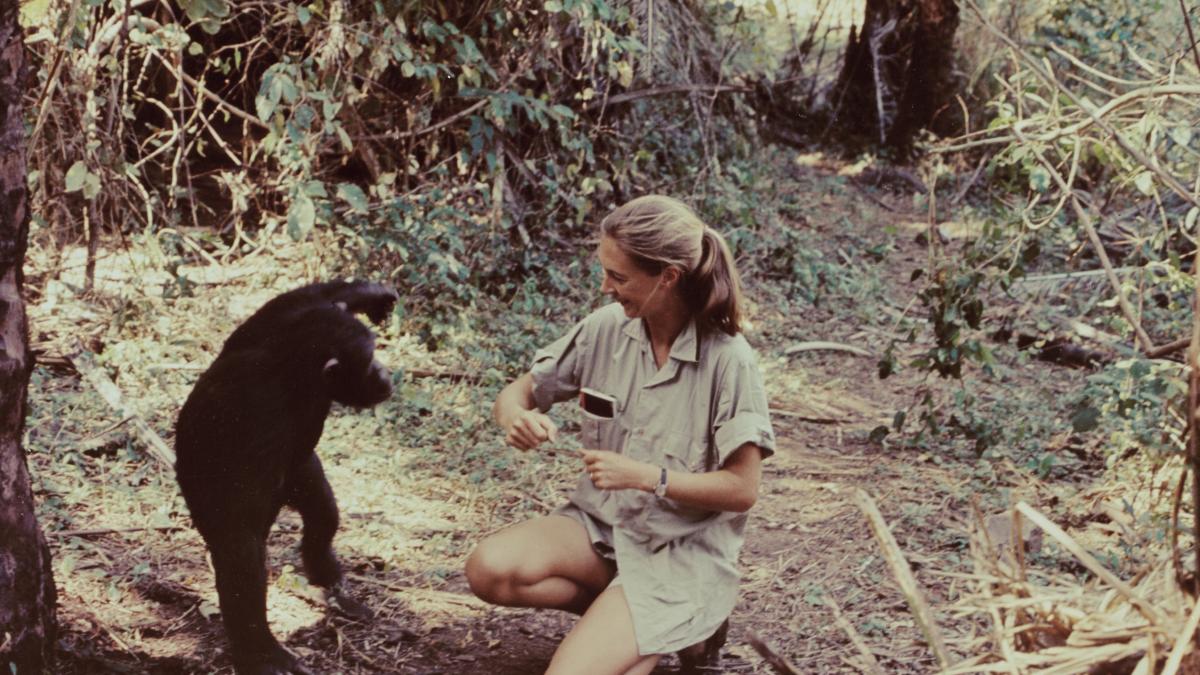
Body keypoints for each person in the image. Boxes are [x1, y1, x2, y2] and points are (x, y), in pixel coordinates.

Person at [464, 195, 775, 675]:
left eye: (619, 277)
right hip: (603, 529)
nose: (605, 287)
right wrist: (515, 418)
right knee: (490, 569)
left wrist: (650, 477)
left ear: (668, 277)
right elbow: (517, 393)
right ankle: (644, 625)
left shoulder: (729, 359)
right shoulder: (606, 328)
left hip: (679, 551)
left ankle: (670, 623)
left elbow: (743, 489)